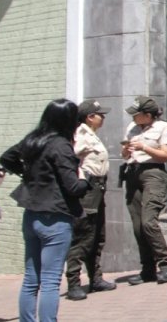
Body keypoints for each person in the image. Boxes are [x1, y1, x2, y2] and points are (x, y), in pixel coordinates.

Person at [0, 99, 90, 322]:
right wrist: (87, 179)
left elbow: (7, 158)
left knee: (31, 278)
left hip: (31, 215)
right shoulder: (60, 145)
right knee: (50, 280)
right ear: (69, 121)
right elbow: (73, 187)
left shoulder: (34, 139)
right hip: (55, 218)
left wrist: (28, 175)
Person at [121, 97, 167, 285]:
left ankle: (166, 266)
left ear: (148, 115)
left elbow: (165, 156)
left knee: (148, 222)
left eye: (137, 114)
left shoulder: (164, 128)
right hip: (132, 173)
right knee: (137, 226)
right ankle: (147, 269)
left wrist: (144, 146)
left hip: (153, 173)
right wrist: (127, 151)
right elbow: (124, 154)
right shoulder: (131, 128)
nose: (133, 117)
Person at [65, 100, 116, 301]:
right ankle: (74, 283)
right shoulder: (80, 135)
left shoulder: (92, 135)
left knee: (97, 235)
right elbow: (69, 159)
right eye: (99, 114)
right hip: (88, 188)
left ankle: (95, 278)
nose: (103, 117)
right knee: (83, 235)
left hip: (98, 188)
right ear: (89, 117)